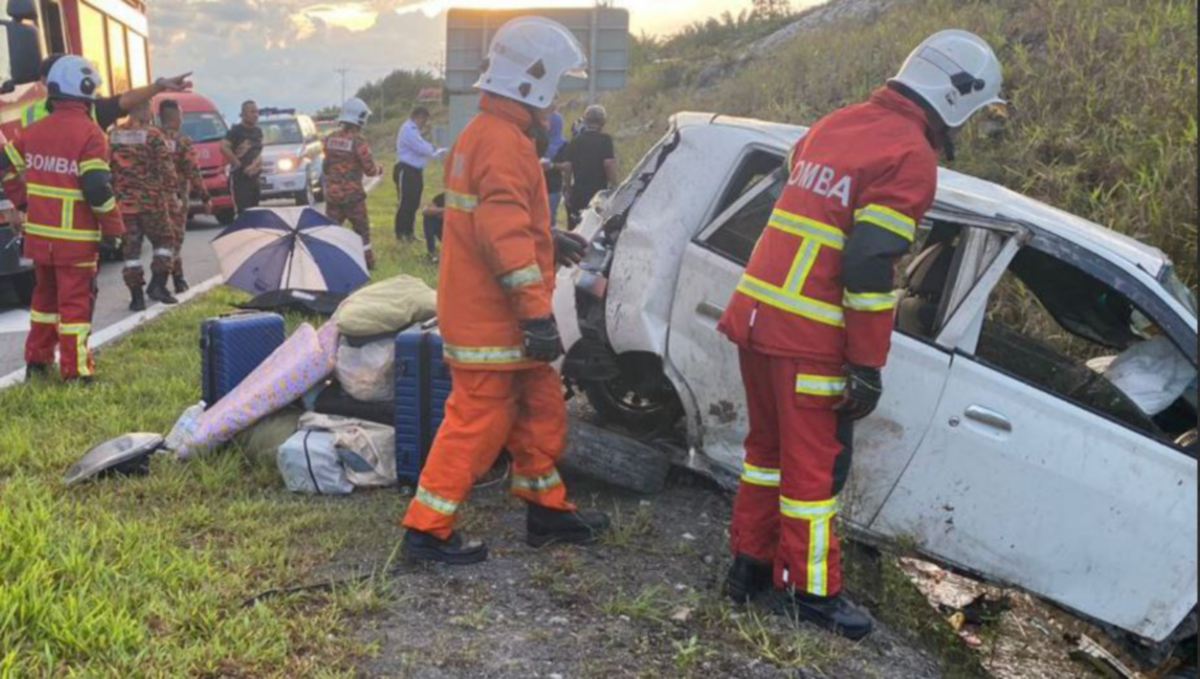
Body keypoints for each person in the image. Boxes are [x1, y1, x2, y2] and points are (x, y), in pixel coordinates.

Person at [716, 30, 1004, 640]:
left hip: (758, 319)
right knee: (813, 477)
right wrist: (867, 362)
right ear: (955, 99)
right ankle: (813, 592)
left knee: (766, 456)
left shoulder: (836, 123)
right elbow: (870, 265)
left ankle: (748, 567)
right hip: (809, 335)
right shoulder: (909, 156)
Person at [400, 16, 606, 564]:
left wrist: (549, 237)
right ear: (530, 82)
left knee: (540, 408)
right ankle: (426, 531)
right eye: (554, 88)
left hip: (492, 315)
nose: (556, 101)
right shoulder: (506, 142)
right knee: (478, 421)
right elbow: (502, 234)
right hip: (496, 320)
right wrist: (537, 316)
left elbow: (499, 221)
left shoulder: (485, 133)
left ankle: (548, 513)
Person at [0, 56, 125, 383]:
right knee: (74, 306)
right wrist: (114, 229)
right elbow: (97, 188)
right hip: (76, 240)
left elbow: (4, 163)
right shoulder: (91, 134)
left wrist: (22, 199)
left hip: (40, 238)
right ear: (85, 91)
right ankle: (77, 371)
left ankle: (38, 365)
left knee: (43, 302)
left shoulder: (35, 130)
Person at [111, 99, 179, 310]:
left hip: (125, 203)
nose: (150, 111)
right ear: (140, 109)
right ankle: (157, 285)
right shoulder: (153, 135)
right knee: (165, 242)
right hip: (152, 203)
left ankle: (137, 297)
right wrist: (172, 194)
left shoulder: (114, 135)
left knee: (131, 253)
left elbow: (108, 166)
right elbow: (166, 168)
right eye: (148, 107)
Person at [19, 54, 192, 131]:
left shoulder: (30, 114)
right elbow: (125, 101)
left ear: (43, 80)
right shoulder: (91, 110)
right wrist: (158, 86)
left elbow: (13, 161)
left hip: (41, 203)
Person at [322, 97, 384, 270]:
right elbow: (370, 170)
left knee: (331, 231)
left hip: (333, 196)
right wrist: (380, 170)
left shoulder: (328, 139)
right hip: (353, 197)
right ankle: (368, 264)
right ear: (360, 117)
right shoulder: (358, 141)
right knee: (362, 232)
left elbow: (326, 166)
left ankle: (328, 263)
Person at [158, 98, 211, 294]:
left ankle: (166, 280)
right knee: (175, 241)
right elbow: (193, 171)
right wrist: (205, 196)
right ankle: (171, 280)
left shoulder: (152, 138)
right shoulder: (182, 141)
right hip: (177, 199)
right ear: (176, 117)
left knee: (161, 242)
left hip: (153, 199)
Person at [562, 104, 617, 228]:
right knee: (595, 227)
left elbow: (567, 167)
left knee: (576, 227)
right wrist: (614, 185)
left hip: (579, 191)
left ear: (586, 120)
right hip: (599, 192)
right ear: (603, 121)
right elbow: (609, 164)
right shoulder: (605, 140)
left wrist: (568, 189)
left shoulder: (576, 140)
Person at [393, 106, 444, 241]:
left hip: (415, 171)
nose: (425, 123)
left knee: (414, 203)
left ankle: (409, 233)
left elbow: (424, 145)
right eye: (424, 120)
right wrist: (433, 150)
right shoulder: (408, 129)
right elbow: (422, 148)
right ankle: (401, 233)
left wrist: (432, 148)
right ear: (419, 117)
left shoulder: (414, 131)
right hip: (406, 169)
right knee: (405, 202)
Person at [221, 100, 263, 215]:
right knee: (244, 213)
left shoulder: (258, 131)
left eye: (257, 112)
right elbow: (224, 147)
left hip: (254, 178)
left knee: (255, 212)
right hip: (241, 179)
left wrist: (256, 166)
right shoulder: (236, 131)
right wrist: (236, 162)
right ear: (243, 114)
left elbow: (259, 151)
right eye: (252, 112)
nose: (255, 115)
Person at [541, 106, 567, 227]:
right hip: (537, 186)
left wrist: (552, 165)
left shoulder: (563, 145)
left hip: (553, 186)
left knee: (550, 220)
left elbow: (568, 166)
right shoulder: (537, 141)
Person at [422, 192, 445, 261]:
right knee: (429, 217)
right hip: (443, 227)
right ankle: (432, 253)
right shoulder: (442, 197)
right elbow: (425, 211)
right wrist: (444, 211)